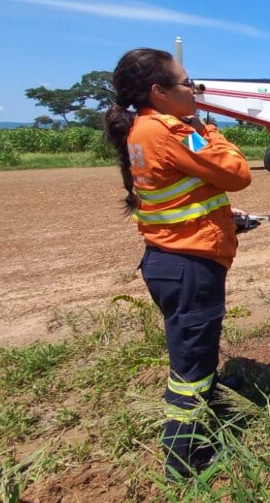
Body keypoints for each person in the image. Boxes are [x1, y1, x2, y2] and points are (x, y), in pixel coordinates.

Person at [104, 48, 252, 477]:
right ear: (159, 92)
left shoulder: (142, 131)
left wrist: (227, 216)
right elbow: (237, 172)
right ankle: (184, 459)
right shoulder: (172, 131)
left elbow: (174, 192)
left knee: (192, 348)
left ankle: (211, 397)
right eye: (187, 82)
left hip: (168, 258)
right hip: (189, 263)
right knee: (189, 364)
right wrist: (209, 130)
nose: (194, 89)